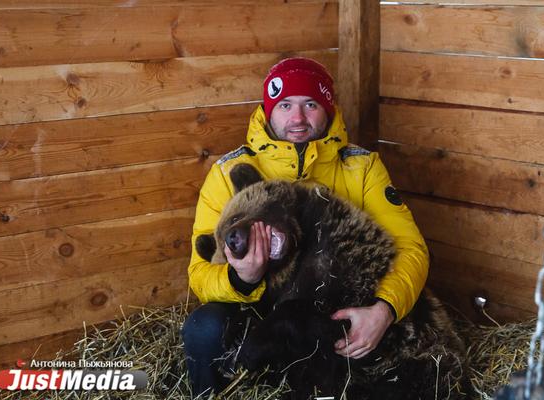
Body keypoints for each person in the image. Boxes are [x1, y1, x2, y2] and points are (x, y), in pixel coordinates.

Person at [182, 57, 429, 397]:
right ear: (269, 111)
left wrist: (384, 310)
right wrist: (242, 279)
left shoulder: (361, 167)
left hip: (334, 304)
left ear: (328, 109)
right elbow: (200, 273)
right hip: (262, 310)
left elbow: (410, 248)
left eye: (310, 104)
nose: (297, 119)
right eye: (285, 105)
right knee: (203, 327)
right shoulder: (229, 174)